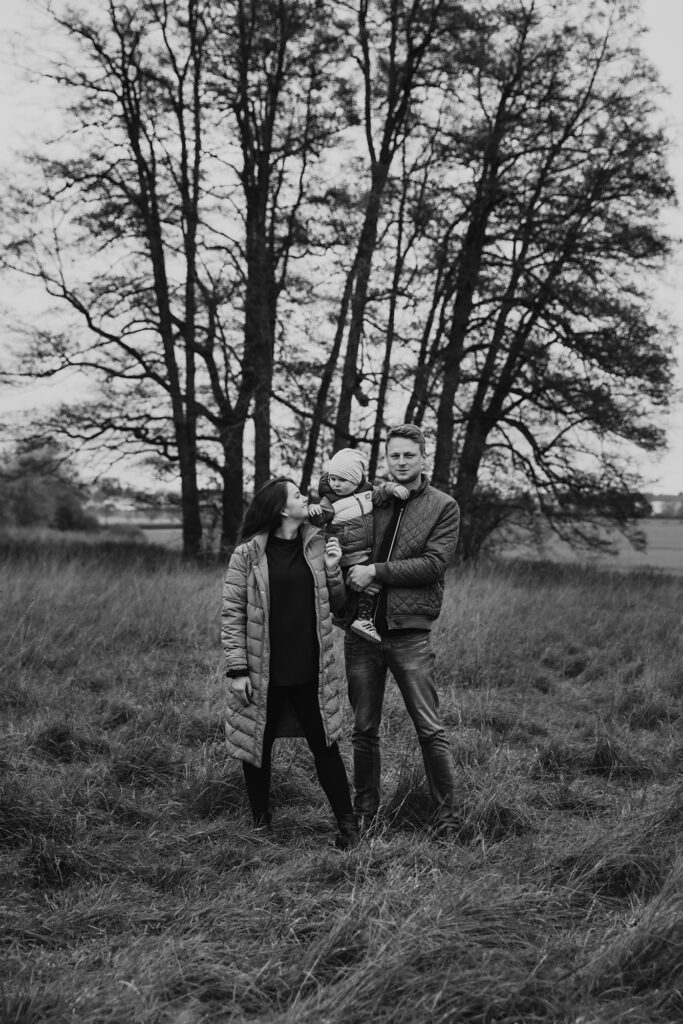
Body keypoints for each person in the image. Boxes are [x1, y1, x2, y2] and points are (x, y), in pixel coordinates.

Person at [221, 476, 358, 850]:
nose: (305, 498)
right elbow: (232, 613)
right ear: (283, 509)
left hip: (311, 671)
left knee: (326, 747)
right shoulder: (247, 555)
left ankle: (348, 828)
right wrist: (237, 670)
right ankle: (261, 826)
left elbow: (339, 604)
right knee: (256, 749)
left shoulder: (317, 546)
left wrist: (333, 567)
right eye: (297, 494)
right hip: (264, 672)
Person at [342, 424, 461, 839]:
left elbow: (433, 564)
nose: (402, 462)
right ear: (386, 459)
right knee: (363, 730)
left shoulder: (444, 506)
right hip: (361, 631)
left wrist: (376, 571)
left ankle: (446, 821)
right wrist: (352, 572)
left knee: (430, 729)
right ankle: (365, 818)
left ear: (423, 457)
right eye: (394, 455)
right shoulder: (369, 501)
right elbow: (343, 546)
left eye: (409, 455)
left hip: (409, 634)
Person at [307, 447, 409, 645]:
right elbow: (320, 519)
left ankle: (350, 618)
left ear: (356, 480)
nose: (335, 484)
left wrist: (393, 488)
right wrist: (314, 511)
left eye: (342, 480)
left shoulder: (367, 493)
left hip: (365, 550)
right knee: (364, 588)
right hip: (347, 552)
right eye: (333, 478)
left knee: (368, 586)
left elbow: (381, 492)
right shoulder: (329, 502)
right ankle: (361, 620)